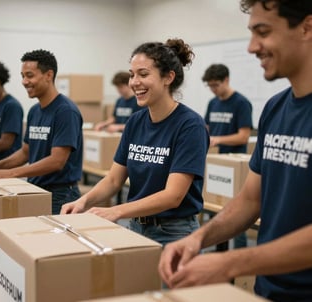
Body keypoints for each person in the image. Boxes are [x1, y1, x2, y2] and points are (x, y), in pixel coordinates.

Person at [158, 1, 312, 301]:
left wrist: (230, 262)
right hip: (269, 289)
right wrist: (197, 238)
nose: (252, 47)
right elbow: (250, 200)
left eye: (263, 32)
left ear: (307, 27)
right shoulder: (275, 108)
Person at [61, 38, 209, 247]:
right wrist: (83, 201)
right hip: (137, 227)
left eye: (143, 74)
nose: (134, 82)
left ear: (168, 77)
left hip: (174, 233)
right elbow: (113, 180)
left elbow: (173, 196)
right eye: (132, 75)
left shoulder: (190, 126)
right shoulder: (135, 122)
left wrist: (117, 210)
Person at [0, 50, 83, 215]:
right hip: (36, 189)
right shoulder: (34, 111)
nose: (24, 81)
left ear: (48, 75)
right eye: (22, 76)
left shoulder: (66, 111)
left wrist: (12, 173)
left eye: (29, 75)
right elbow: (25, 152)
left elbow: (57, 161)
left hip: (61, 194)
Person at [202, 63, 253, 249]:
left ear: (226, 80)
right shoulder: (212, 103)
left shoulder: (241, 103)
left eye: (216, 85)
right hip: (215, 164)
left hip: (235, 167)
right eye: (210, 86)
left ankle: (239, 268)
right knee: (216, 214)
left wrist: (218, 139)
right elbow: (207, 128)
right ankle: (220, 253)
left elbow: (244, 135)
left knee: (237, 217)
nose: (213, 89)